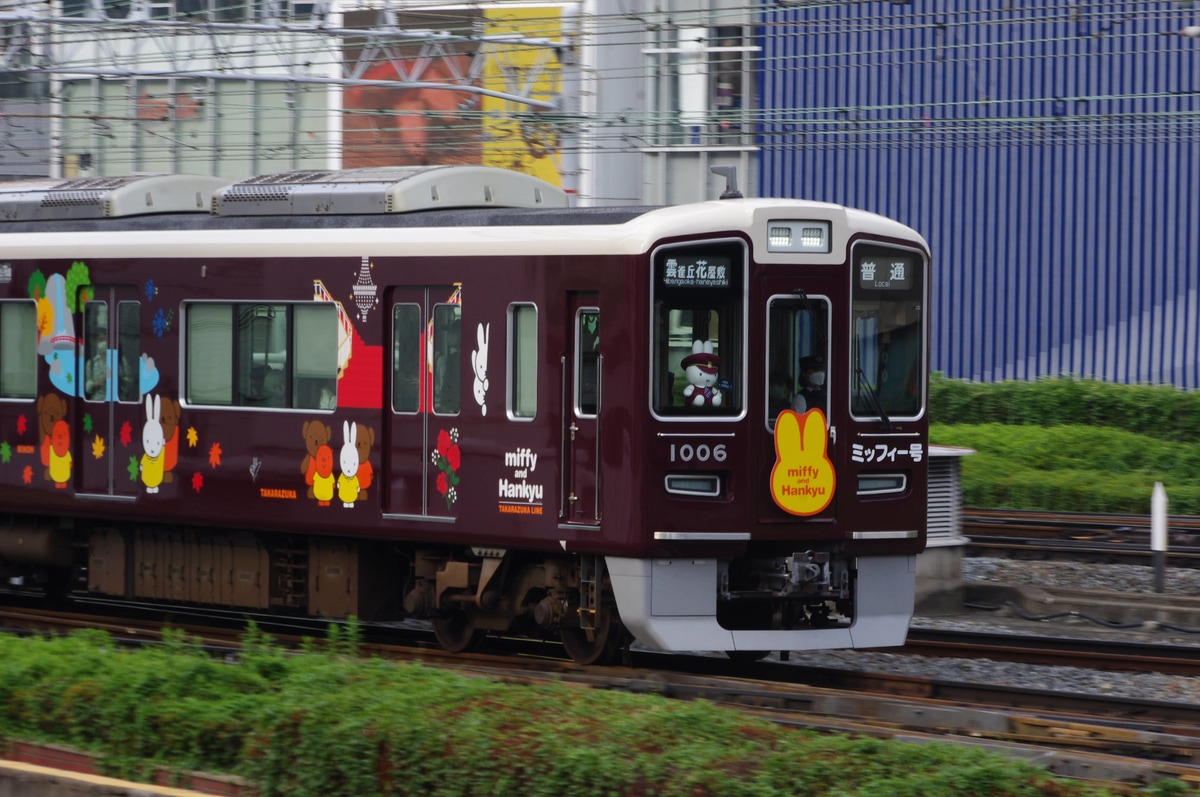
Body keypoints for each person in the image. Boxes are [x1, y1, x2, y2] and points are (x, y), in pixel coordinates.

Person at [84, 328, 109, 401]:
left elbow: (129, 384)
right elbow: (87, 387)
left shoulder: (120, 361)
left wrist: (118, 380)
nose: (103, 343)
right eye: (101, 340)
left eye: (105, 340)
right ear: (96, 343)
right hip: (97, 402)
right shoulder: (91, 363)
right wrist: (96, 384)